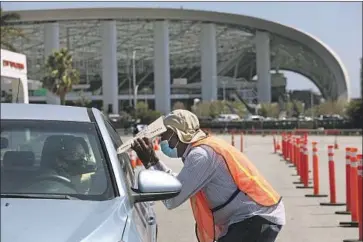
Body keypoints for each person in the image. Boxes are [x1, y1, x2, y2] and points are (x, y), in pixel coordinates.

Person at [131, 109, 286, 242]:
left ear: (177, 134)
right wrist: (153, 161)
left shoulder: (201, 155)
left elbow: (172, 199)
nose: (162, 140)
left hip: (255, 217)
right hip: (252, 217)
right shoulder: (202, 148)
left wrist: (150, 163)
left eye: (165, 135)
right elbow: (178, 184)